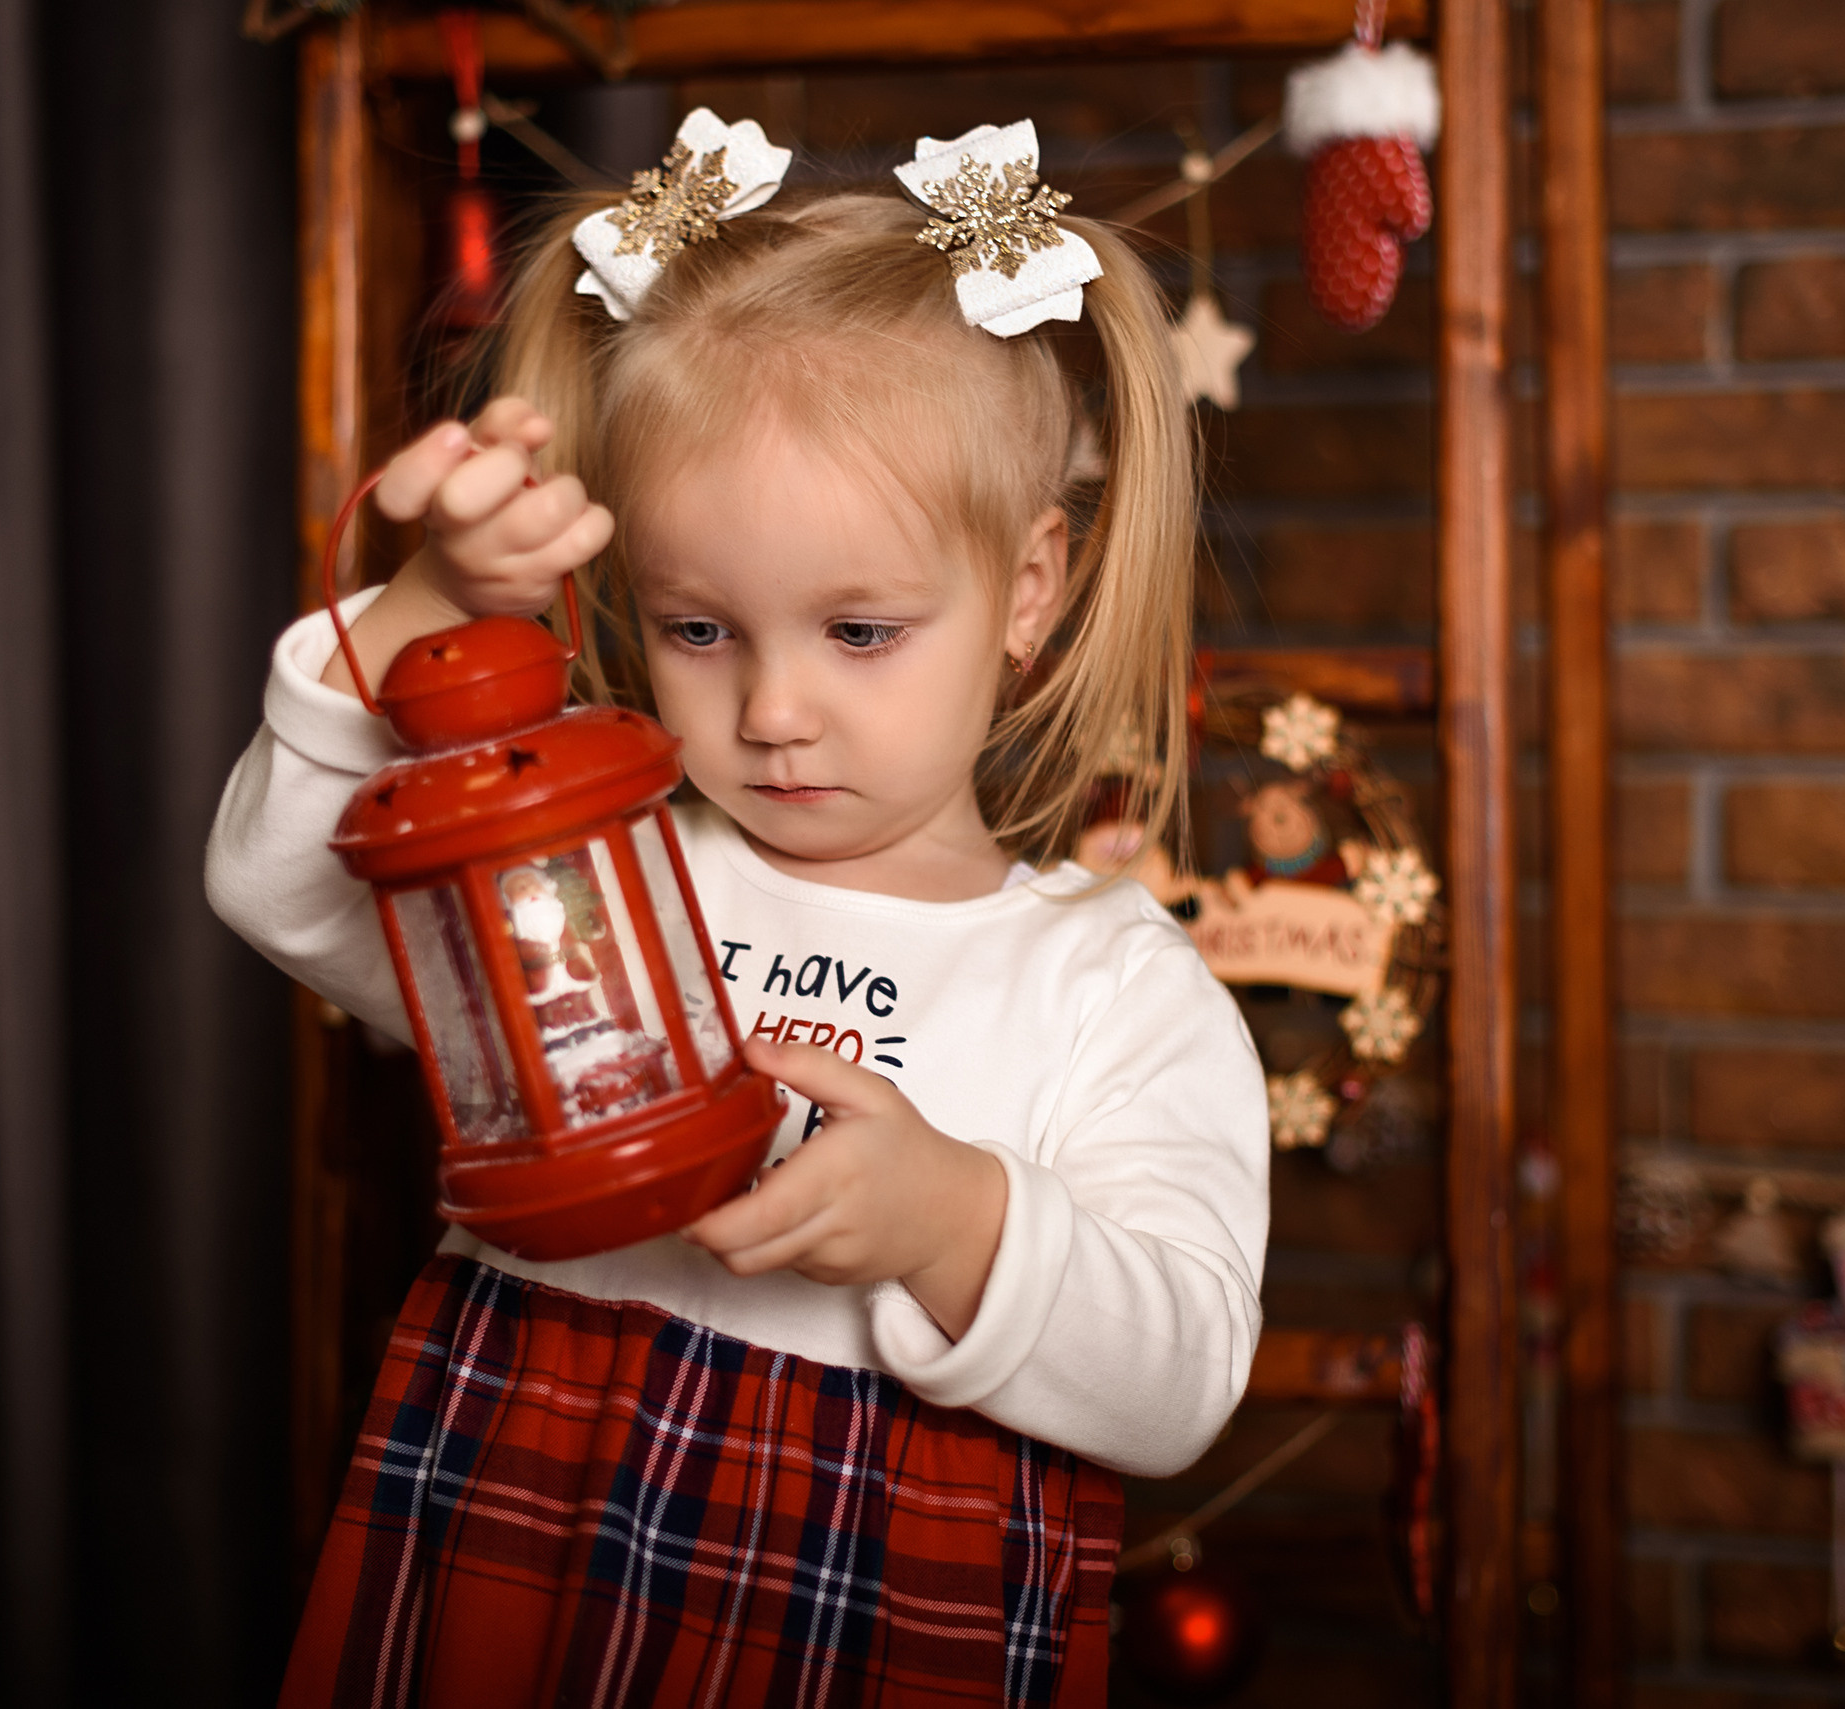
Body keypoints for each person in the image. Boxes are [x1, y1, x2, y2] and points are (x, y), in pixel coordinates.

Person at [206, 108, 1269, 1708]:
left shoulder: (1105, 986)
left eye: (858, 631)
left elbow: (1180, 1376)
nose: (773, 710)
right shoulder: (601, 863)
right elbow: (286, 892)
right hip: (515, 1509)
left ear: (1030, 590)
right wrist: (430, 612)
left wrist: (956, 1221)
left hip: (872, 1581)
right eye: (699, 628)